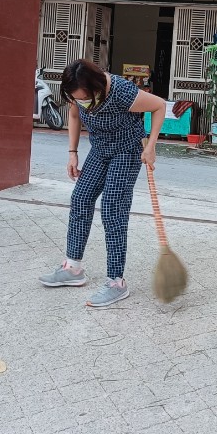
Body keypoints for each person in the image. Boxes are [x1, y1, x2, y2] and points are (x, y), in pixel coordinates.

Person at [39, 59, 170, 307]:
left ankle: (116, 282)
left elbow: (159, 106)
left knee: (112, 210)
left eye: (86, 98)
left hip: (127, 151)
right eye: (77, 98)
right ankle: (73, 268)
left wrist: (151, 146)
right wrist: (72, 152)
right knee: (80, 198)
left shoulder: (121, 90)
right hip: (100, 150)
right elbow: (74, 115)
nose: (83, 102)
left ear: (97, 87)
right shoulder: (76, 93)